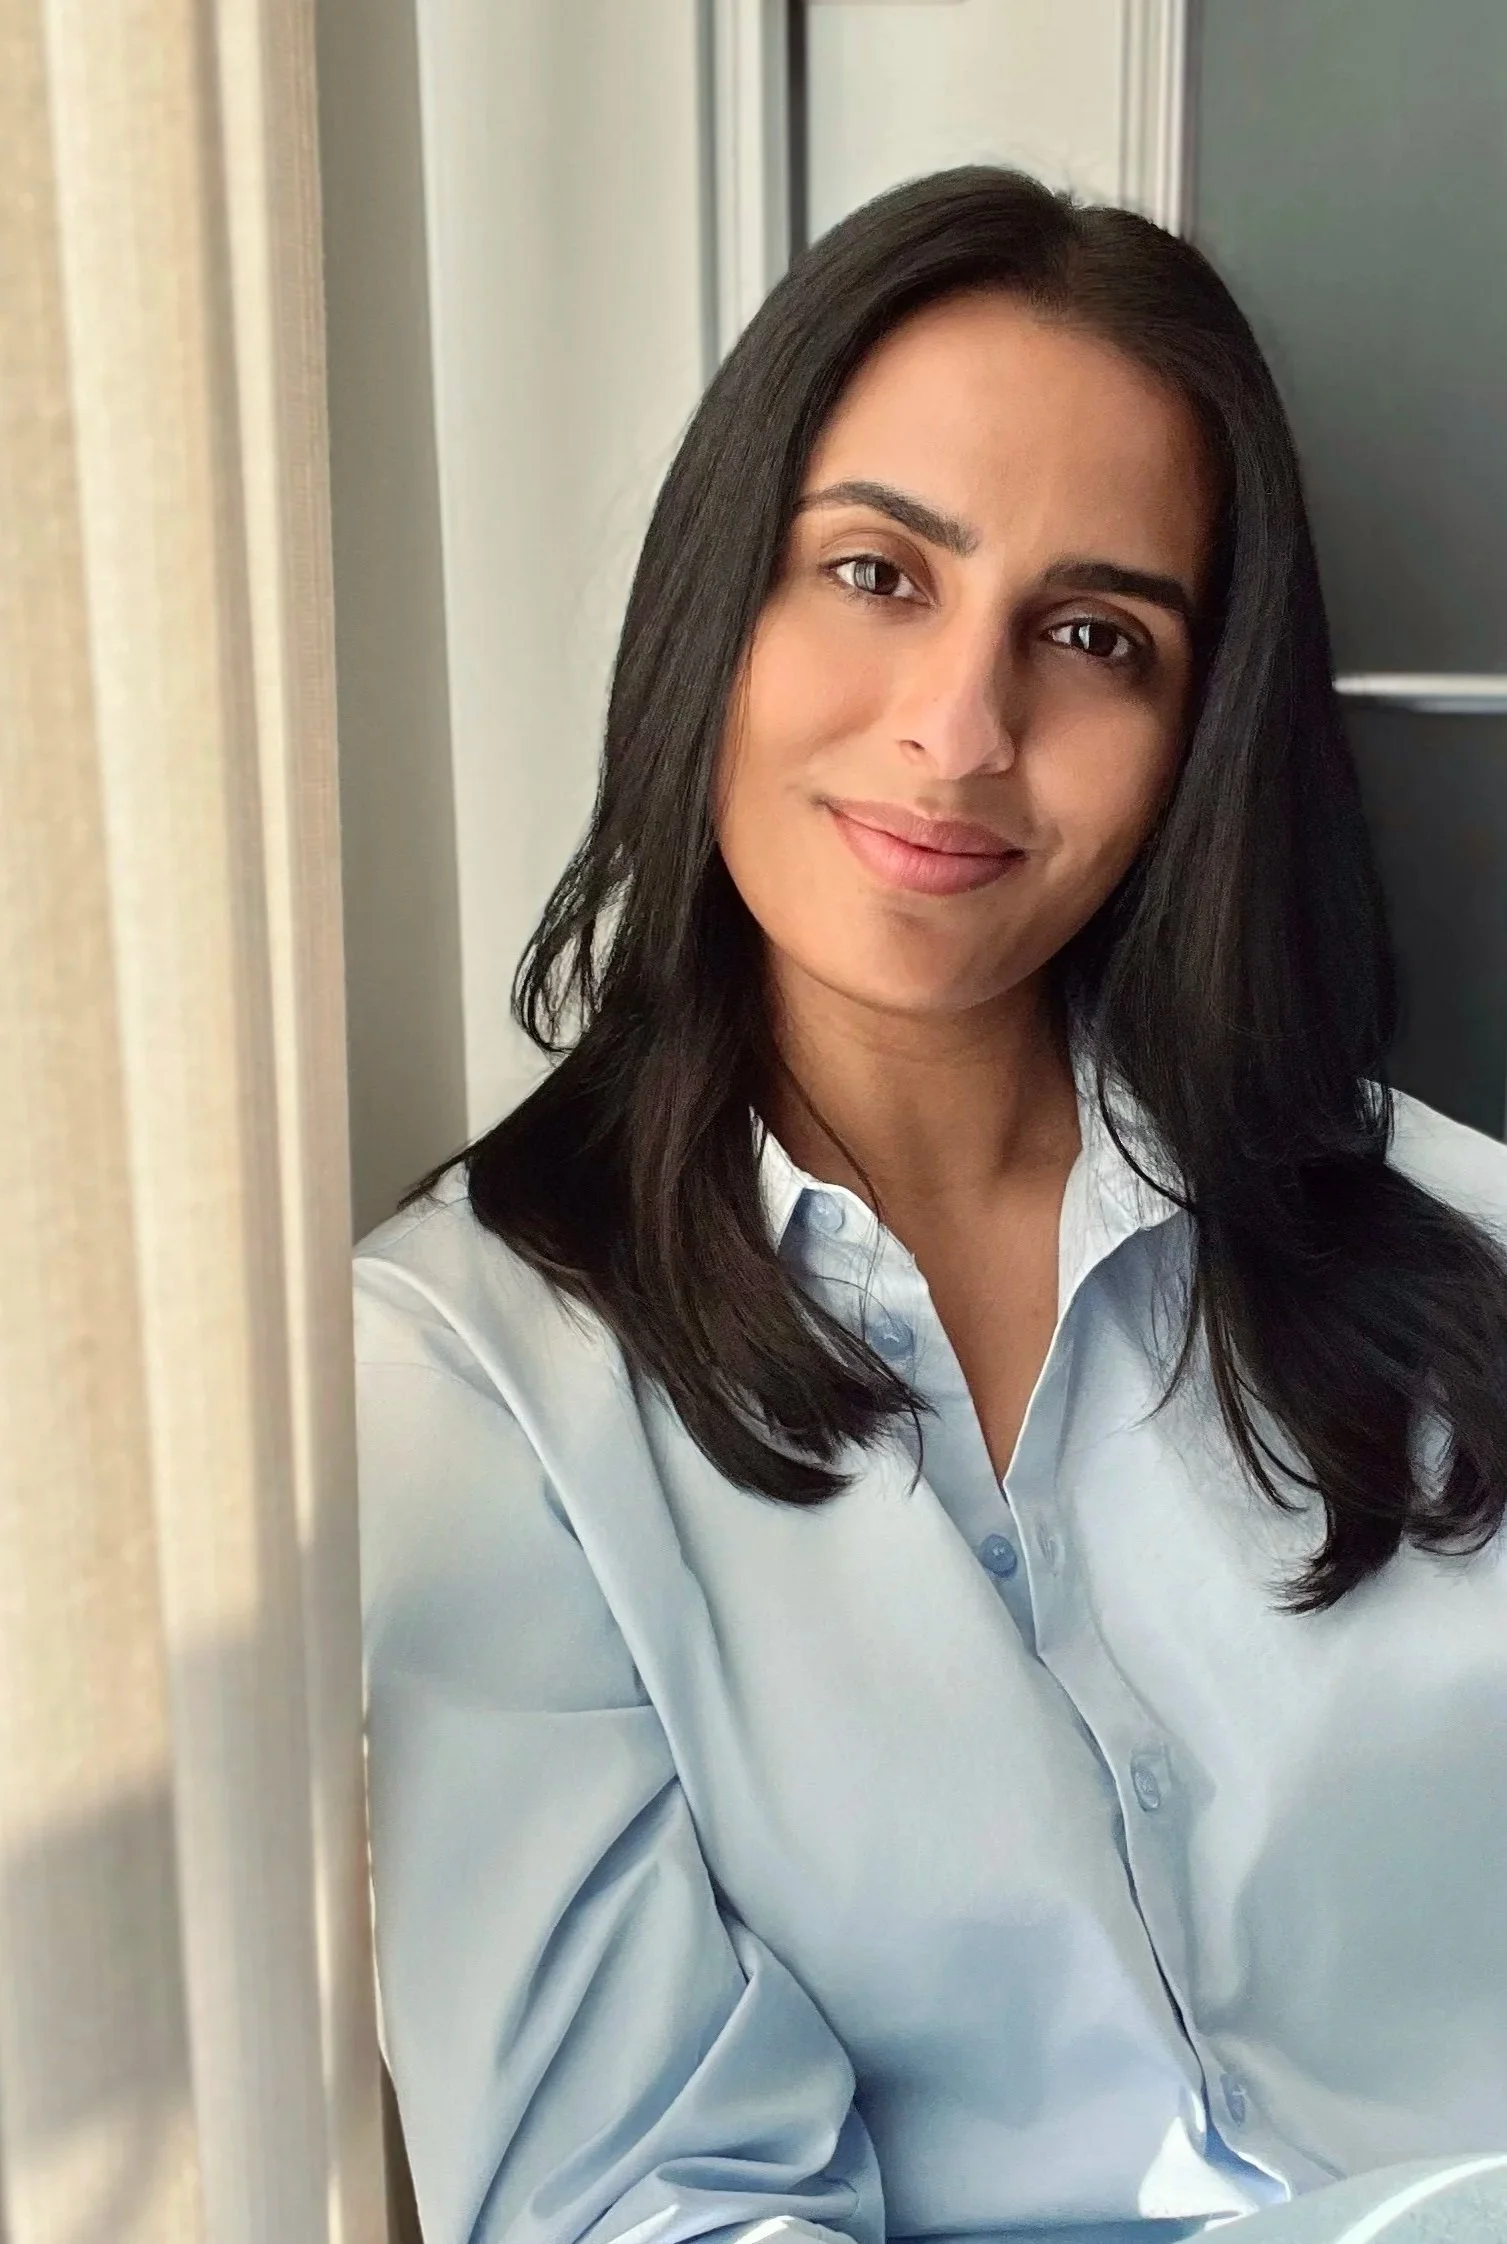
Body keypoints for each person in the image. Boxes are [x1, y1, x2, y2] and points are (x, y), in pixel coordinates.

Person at [353, 168, 1507, 2244]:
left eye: (1093, 635)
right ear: (722, 601)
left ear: (1192, 739)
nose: (961, 735)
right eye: (879, 573)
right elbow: (647, 2197)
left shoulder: (1461, 1247)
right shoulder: (473, 1379)